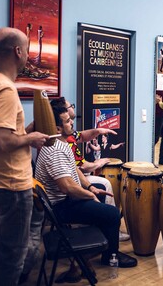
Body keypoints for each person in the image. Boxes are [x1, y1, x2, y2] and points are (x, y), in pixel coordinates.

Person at [35, 105, 137, 269]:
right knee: (112, 214)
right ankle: (111, 256)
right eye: (68, 121)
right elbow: (67, 187)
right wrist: (90, 196)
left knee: (101, 194)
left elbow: (74, 169)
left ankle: (95, 250)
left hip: (67, 199)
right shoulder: (54, 150)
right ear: (57, 128)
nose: (72, 123)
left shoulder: (62, 142)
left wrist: (90, 188)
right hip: (60, 206)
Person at [0, 27, 49, 286]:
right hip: (11, 187)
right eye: (27, 49)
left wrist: (28, 131)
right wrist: (30, 140)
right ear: (18, 51)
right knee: (14, 258)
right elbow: (0, 140)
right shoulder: (6, 90)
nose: (28, 55)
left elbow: (2, 132)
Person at [50, 97, 130, 241]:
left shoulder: (66, 135)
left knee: (99, 186)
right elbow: (78, 171)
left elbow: (82, 137)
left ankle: (104, 229)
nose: (72, 108)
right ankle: (109, 231)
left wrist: (98, 131)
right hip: (64, 201)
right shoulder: (60, 143)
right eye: (69, 106)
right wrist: (98, 164)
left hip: (72, 185)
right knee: (106, 186)